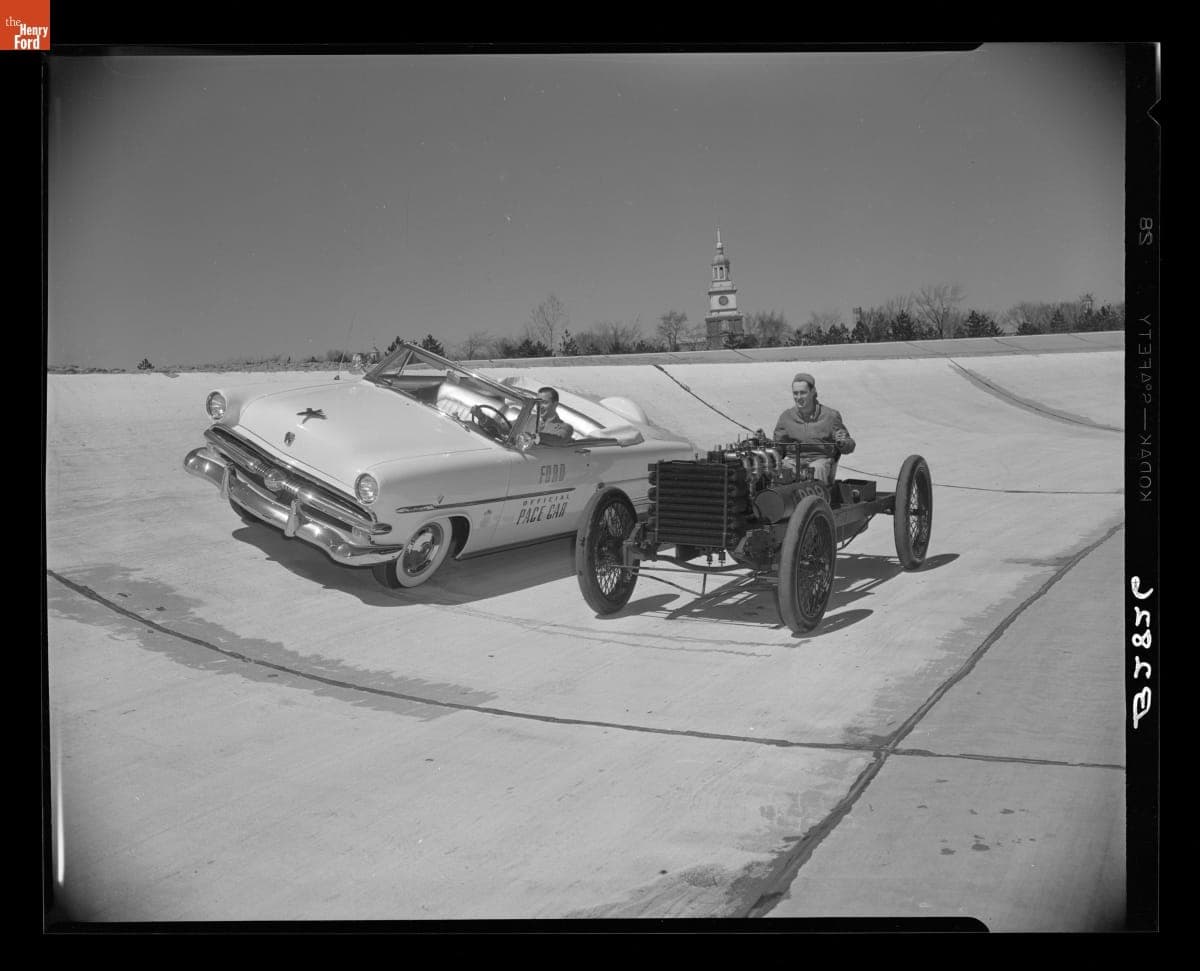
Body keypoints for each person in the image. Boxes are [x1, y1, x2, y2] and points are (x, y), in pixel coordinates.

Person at [772, 372, 854, 486]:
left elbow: (849, 447)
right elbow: (777, 447)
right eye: (795, 393)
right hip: (793, 461)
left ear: (813, 392)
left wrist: (843, 442)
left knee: (816, 469)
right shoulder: (786, 417)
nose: (798, 397)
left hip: (819, 460)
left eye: (803, 393)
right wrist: (763, 442)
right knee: (776, 472)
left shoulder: (830, 416)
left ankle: (817, 501)